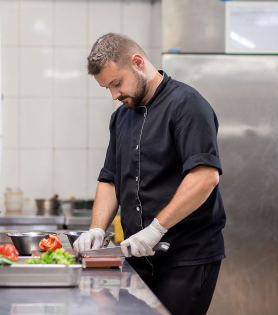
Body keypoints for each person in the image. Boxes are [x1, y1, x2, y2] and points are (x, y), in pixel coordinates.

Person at [73, 33, 226, 315]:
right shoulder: (121, 117)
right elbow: (109, 179)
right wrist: (97, 228)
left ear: (138, 62)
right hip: (138, 257)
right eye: (107, 88)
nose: (114, 95)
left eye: (116, 83)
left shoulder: (187, 105)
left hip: (186, 257)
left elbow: (205, 176)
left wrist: (156, 229)